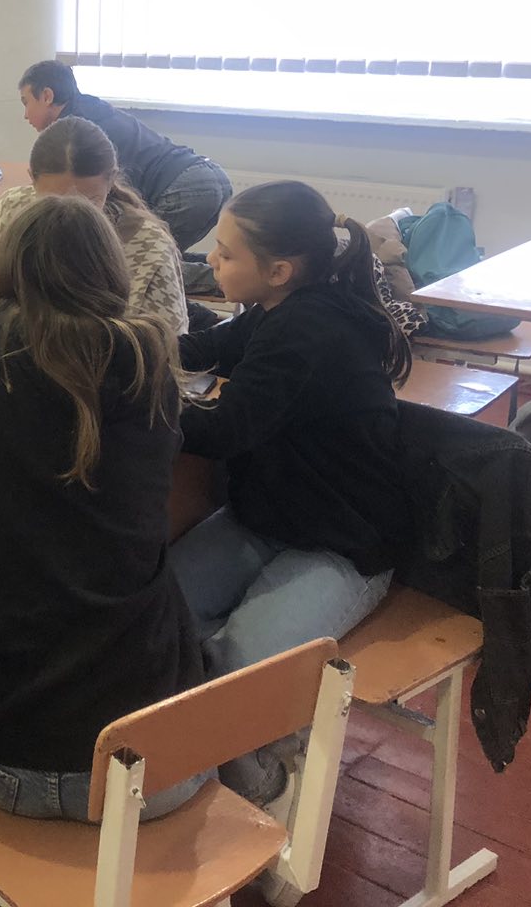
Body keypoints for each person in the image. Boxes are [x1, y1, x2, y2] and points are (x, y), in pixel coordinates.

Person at [0, 195, 206, 822]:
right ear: (113, 272)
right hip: (160, 764)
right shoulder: (151, 365)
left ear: (8, 273)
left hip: (9, 763)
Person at [168, 180, 413, 809]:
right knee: (157, 611)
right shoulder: (275, 310)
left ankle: (269, 781)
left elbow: (225, 431)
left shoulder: (307, 328)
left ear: (278, 270)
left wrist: (132, 399)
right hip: (269, 519)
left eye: (226, 254)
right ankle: (218, 743)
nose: (211, 261)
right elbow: (205, 347)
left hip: (344, 543)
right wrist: (124, 347)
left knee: (241, 663)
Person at [0, 117, 186, 350]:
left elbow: (168, 347)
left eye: (89, 201)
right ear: (32, 179)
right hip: (7, 368)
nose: (69, 215)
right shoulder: (12, 210)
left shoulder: (150, 244)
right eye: (51, 200)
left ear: (111, 180)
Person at [18, 60, 231, 265]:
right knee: (157, 255)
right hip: (207, 178)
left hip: (185, 188)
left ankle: (226, 277)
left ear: (47, 96)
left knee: (127, 262)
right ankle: (221, 271)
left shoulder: (75, 135)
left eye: (26, 102)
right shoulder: (93, 108)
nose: (25, 115)